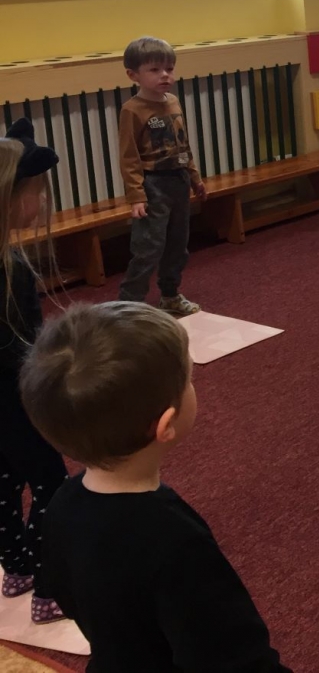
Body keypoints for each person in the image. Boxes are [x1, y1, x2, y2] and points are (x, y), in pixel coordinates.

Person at [20, 302, 290, 671]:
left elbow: (63, 589)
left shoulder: (62, 503)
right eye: (189, 380)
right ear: (166, 424)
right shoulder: (175, 542)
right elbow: (235, 657)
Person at [0, 121, 67, 624]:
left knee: (2, 485)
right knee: (51, 485)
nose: (41, 202)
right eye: (36, 193)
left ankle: (17, 567)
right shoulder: (13, 269)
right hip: (16, 402)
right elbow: (23, 349)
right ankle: (49, 589)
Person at [117, 37, 206, 316]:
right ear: (133, 75)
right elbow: (129, 156)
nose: (165, 75)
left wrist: (195, 177)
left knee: (178, 245)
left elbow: (183, 145)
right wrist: (136, 195)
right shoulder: (132, 110)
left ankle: (170, 295)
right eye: (155, 70)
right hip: (153, 185)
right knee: (148, 248)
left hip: (178, 180)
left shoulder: (174, 102)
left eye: (169, 68)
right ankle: (128, 305)